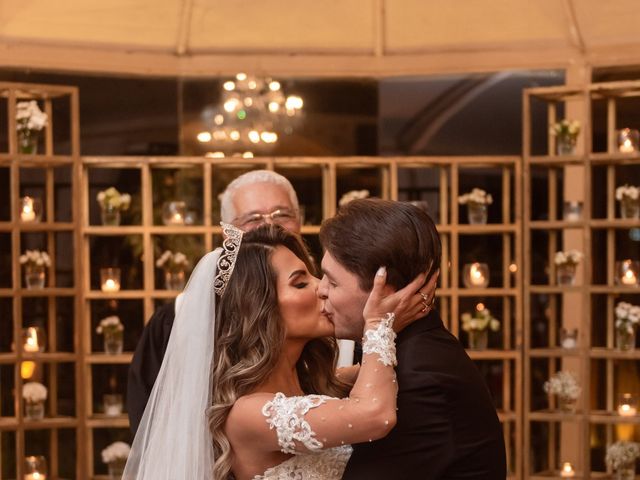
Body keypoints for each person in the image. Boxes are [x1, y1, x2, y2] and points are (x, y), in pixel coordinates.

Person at [123, 223, 433, 479]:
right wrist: (379, 323)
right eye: (300, 283)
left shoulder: (313, 383)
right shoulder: (246, 415)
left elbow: (372, 378)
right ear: (258, 310)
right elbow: (375, 415)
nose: (322, 287)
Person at [318, 198, 507, 479]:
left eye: (332, 282)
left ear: (385, 291)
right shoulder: (402, 350)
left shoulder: (419, 376)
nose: (320, 291)